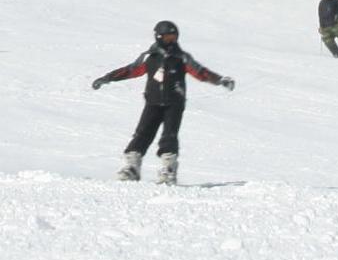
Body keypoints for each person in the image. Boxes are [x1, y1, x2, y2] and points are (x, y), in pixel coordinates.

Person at [92, 20, 233, 184]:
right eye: (167, 38)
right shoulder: (150, 57)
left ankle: (168, 169)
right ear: (158, 37)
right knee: (142, 133)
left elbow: (200, 72)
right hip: (152, 102)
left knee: (169, 136)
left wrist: (219, 80)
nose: (171, 41)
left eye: (173, 37)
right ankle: (132, 167)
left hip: (174, 103)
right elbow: (130, 70)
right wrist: (107, 78)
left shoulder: (182, 58)